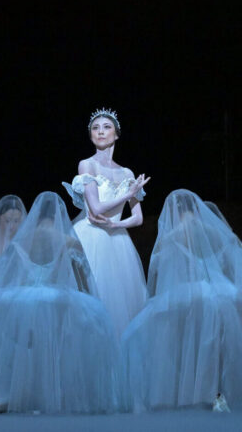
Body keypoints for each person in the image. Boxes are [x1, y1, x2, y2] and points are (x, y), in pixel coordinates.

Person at [0, 192, 126, 414]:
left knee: (22, 346)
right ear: (59, 215)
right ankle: (54, 392)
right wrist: (90, 303)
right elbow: (82, 280)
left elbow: (7, 277)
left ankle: (8, 393)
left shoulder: (22, 240)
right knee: (56, 345)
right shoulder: (68, 241)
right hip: (58, 300)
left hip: (23, 299)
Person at [122, 189, 242, 412]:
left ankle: (194, 391)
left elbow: (160, 274)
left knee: (179, 340)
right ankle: (221, 392)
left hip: (187, 294)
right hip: (222, 292)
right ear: (197, 207)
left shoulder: (171, 236)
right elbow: (231, 266)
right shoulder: (215, 232)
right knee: (218, 343)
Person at [62, 108, 150, 337]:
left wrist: (116, 226)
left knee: (121, 305)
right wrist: (127, 193)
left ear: (117, 134)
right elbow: (97, 208)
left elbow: (138, 218)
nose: (100, 131)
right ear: (90, 135)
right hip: (90, 236)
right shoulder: (87, 165)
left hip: (117, 241)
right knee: (91, 300)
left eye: (106, 127)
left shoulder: (127, 172)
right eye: (95, 128)